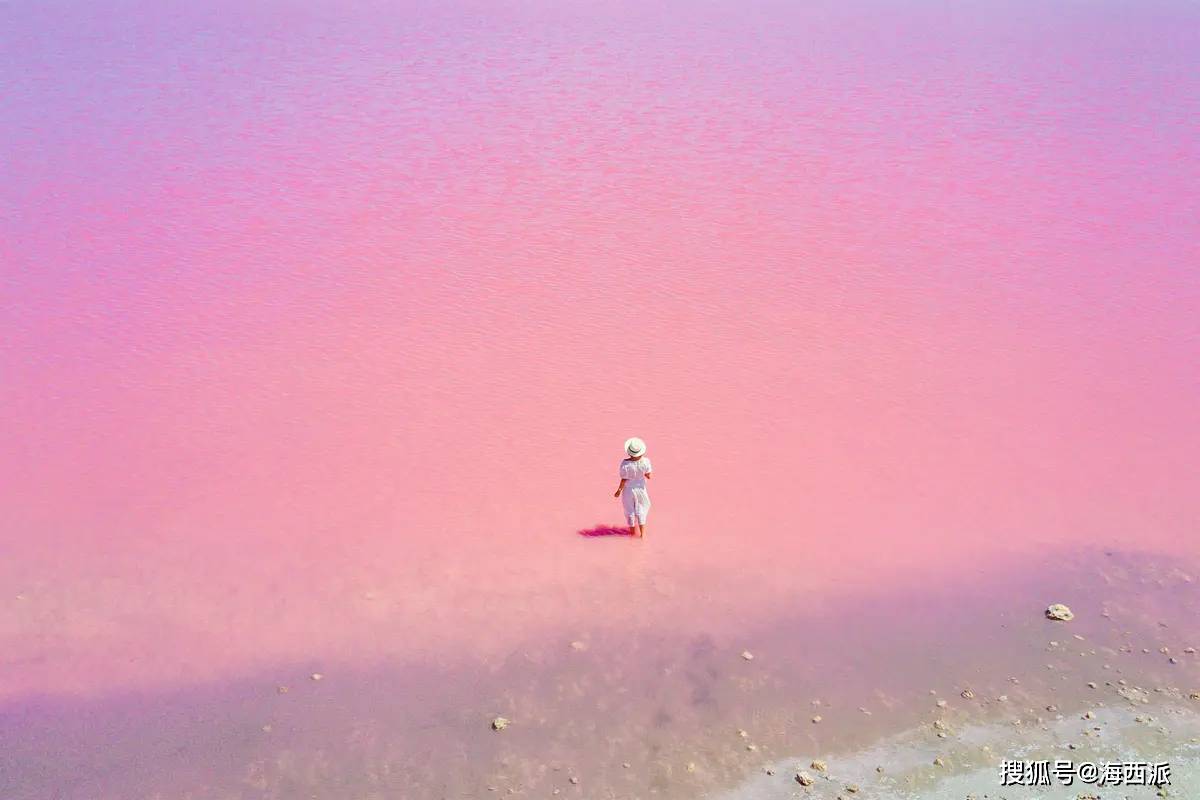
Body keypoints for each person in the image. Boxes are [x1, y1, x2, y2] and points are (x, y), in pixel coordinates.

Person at [613, 437, 652, 538]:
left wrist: (618, 490)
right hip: (641, 489)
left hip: (628, 490)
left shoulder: (625, 464)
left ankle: (632, 534)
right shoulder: (646, 462)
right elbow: (649, 476)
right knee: (641, 510)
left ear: (629, 453)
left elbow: (624, 479)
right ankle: (642, 535)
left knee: (629, 510)